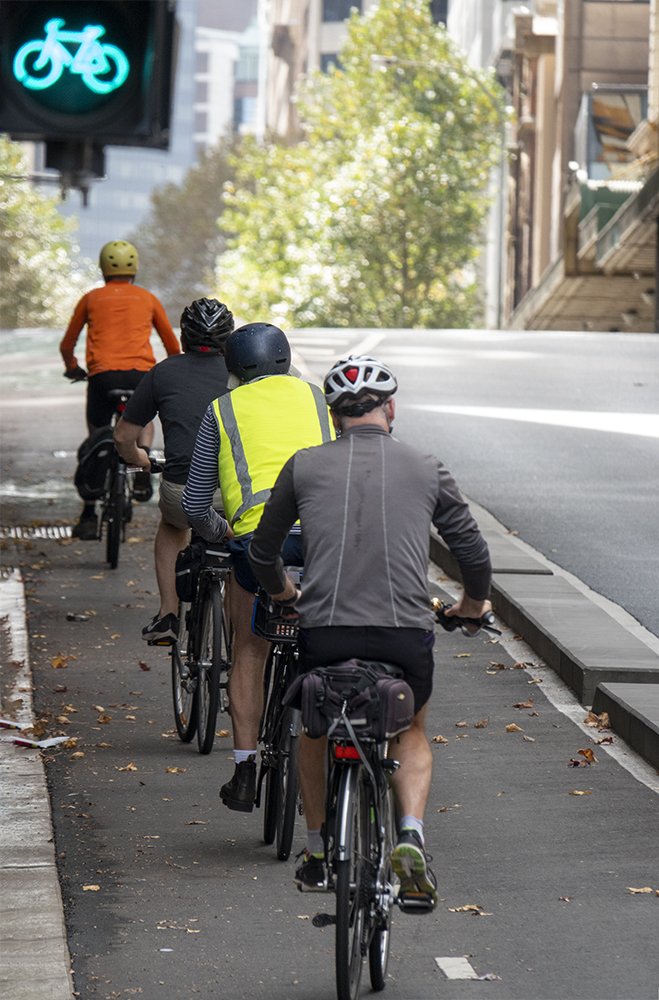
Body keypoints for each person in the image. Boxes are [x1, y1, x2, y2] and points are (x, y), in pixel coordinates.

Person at [248, 355, 492, 912]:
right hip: (403, 635)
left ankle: (315, 851)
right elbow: (472, 552)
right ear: (391, 409)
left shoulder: (304, 465)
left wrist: (285, 592)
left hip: (325, 634)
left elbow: (263, 552)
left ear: (334, 418)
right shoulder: (426, 466)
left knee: (312, 730)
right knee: (409, 732)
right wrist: (471, 606)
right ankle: (409, 836)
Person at [181, 323, 335, 812]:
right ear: (285, 360)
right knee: (329, 642)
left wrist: (219, 532)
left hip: (257, 543)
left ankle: (245, 768)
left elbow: (194, 501)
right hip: (326, 538)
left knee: (250, 650)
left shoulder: (222, 409)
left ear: (233, 369)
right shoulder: (318, 399)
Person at [113, 298, 234, 644]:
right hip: (233, 490)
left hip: (182, 489)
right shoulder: (242, 375)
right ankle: (239, 634)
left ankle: (168, 613)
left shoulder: (163, 372)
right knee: (239, 545)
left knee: (171, 525)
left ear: (184, 336)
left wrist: (141, 459)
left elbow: (123, 436)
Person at [60, 239, 180, 539]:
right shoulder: (148, 298)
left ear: (103, 269)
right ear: (134, 269)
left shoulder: (90, 299)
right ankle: (142, 468)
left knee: (97, 437)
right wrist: (176, 369)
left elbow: (67, 343)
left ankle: (88, 515)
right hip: (139, 376)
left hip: (103, 379)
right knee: (144, 423)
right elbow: (171, 344)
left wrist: (73, 366)